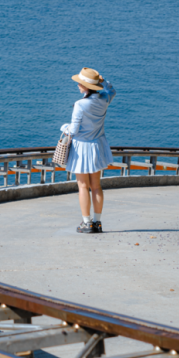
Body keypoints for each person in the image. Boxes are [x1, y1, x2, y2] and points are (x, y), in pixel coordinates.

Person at [61, 66, 116, 234]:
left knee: (83, 186)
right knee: (96, 186)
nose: (78, 85)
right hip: (97, 146)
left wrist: (64, 127)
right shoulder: (104, 99)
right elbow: (111, 90)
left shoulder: (80, 104)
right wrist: (102, 81)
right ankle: (97, 223)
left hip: (82, 149)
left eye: (80, 82)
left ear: (86, 86)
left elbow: (73, 130)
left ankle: (86, 223)